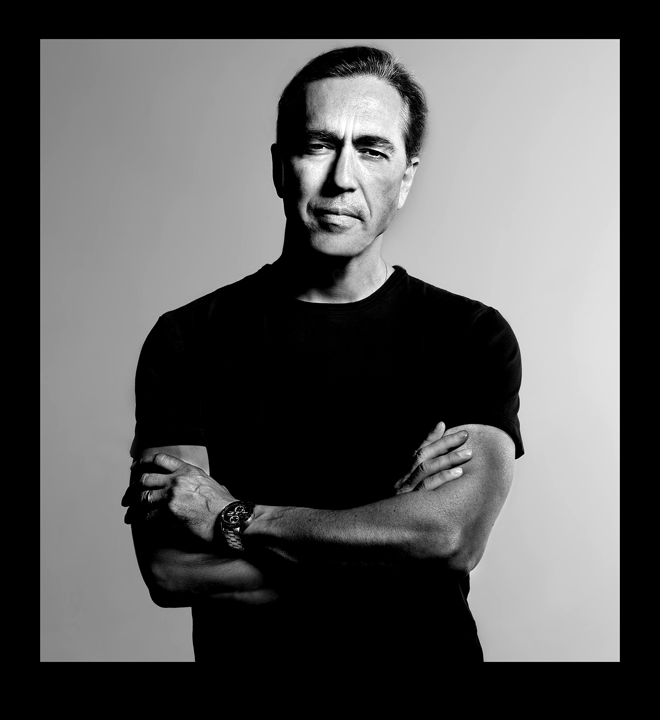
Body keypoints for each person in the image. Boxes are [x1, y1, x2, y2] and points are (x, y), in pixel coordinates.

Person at [122, 45, 524, 665]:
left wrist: (234, 518)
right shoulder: (187, 338)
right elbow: (174, 569)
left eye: (372, 150)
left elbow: (449, 537)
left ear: (406, 178)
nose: (342, 178)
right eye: (318, 146)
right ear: (280, 167)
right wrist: (392, 545)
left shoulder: (470, 335)